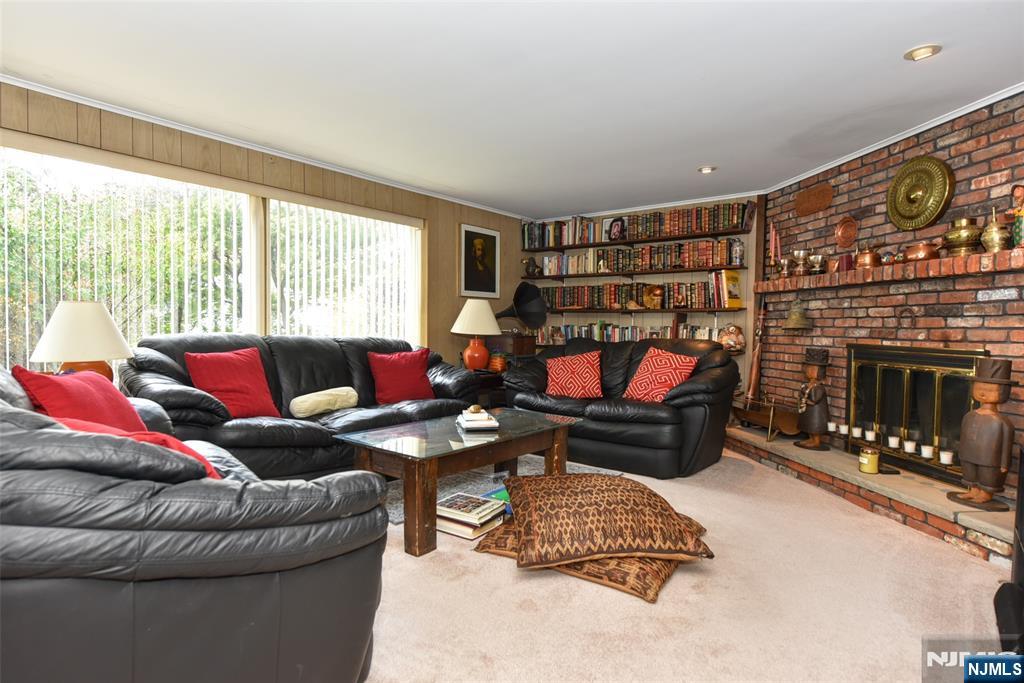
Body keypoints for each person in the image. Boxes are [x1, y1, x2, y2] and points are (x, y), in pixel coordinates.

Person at [949, 358, 1018, 510]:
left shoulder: (1002, 422)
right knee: (970, 474)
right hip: (969, 455)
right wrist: (960, 452)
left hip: (990, 459)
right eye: (979, 387)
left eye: (990, 390)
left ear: (1004, 392)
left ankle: (986, 493)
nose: (982, 392)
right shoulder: (969, 416)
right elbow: (963, 436)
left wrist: (1004, 464)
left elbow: (1006, 444)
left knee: (988, 476)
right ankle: (973, 491)